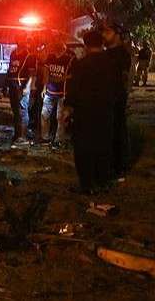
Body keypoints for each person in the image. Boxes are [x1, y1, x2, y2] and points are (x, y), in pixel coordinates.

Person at [66, 30, 117, 192]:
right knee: (104, 145)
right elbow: (118, 88)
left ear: (86, 45)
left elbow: (73, 89)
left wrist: (68, 108)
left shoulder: (81, 64)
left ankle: (87, 183)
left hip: (84, 112)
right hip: (105, 110)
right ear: (101, 44)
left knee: (84, 147)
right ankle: (103, 179)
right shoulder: (111, 64)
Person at [102, 23, 132, 175]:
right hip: (105, 97)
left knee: (118, 128)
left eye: (108, 32)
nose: (104, 35)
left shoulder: (122, 54)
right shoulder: (106, 53)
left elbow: (123, 78)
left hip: (116, 96)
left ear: (117, 35)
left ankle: (121, 163)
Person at [39, 39, 75, 148]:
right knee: (44, 114)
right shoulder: (51, 57)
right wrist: (44, 87)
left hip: (62, 92)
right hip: (50, 90)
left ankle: (59, 140)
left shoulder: (70, 58)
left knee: (60, 117)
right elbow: (46, 71)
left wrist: (62, 79)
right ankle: (44, 137)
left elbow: (73, 74)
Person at [6, 37, 38, 144]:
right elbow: (10, 69)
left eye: (22, 39)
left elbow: (31, 74)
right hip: (12, 85)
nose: (20, 41)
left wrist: (27, 87)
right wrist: (6, 84)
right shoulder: (13, 53)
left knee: (22, 111)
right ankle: (17, 135)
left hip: (22, 86)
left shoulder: (29, 55)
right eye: (18, 38)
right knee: (15, 111)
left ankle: (23, 137)